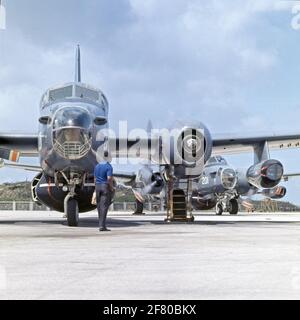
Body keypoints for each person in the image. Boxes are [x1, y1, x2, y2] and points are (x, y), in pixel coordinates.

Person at [94, 153, 114, 232]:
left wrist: (95, 187)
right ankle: (102, 226)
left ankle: (100, 224)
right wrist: (111, 187)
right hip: (105, 187)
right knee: (104, 207)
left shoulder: (97, 166)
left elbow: (95, 179)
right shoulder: (108, 166)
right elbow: (109, 178)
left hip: (97, 187)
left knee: (99, 206)